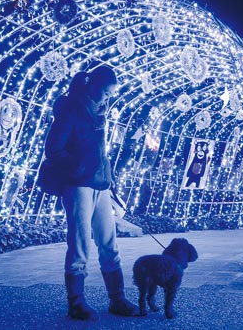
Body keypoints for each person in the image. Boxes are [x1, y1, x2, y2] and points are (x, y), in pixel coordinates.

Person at [44, 66, 139, 321]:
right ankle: (76, 303)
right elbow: (53, 149)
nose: (109, 99)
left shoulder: (99, 114)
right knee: (80, 242)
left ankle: (117, 299)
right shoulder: (71, 111)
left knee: (109, 241)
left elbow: (98, 152)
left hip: (100, 184)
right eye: (107, 93)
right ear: (95, 88)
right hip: (78, 186)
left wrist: (106, 176)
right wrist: (79, 169)